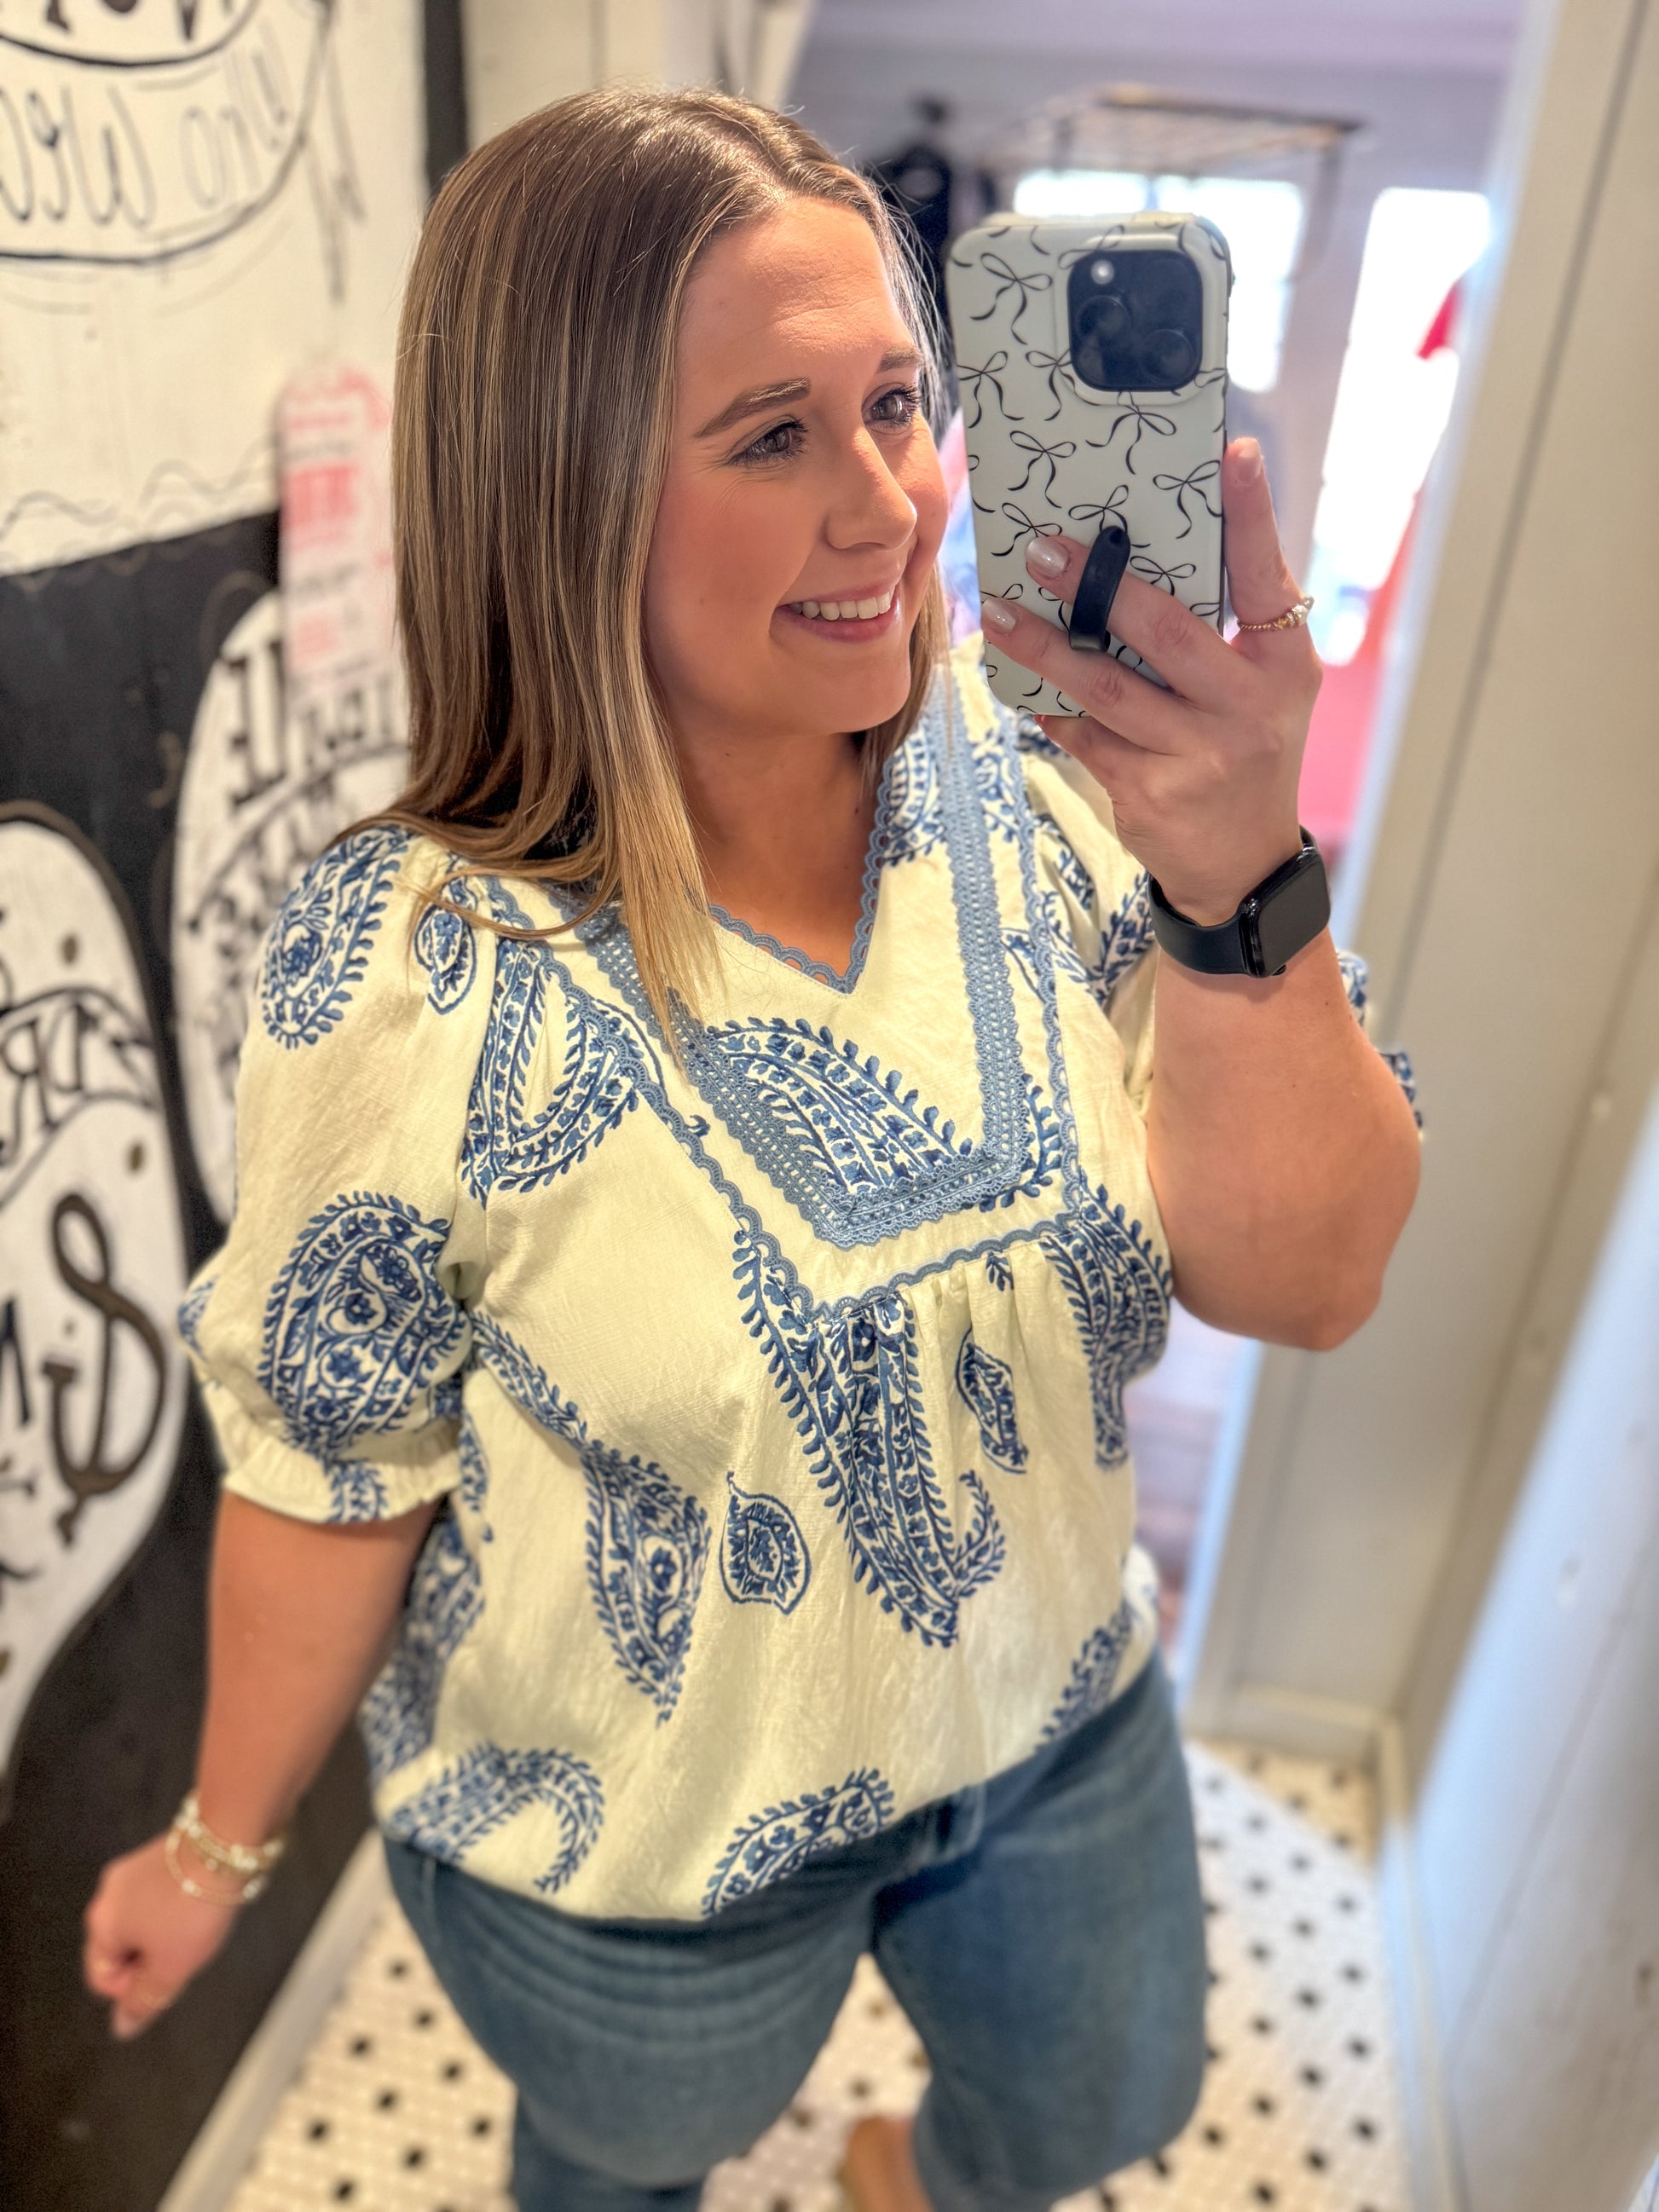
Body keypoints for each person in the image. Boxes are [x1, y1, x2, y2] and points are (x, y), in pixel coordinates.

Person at [82, 88, 1420, 2212]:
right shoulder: (408, 965)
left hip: (1048, 1712)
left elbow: (1312, 1281)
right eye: (773, 434)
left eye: (894, 401)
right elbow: (335, 1468)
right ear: (558, 487)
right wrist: (216, 1842)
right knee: (628, 2158)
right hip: (633, 1847)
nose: (888, 500)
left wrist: (1241, 868)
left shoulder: (1069, 789)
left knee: (1104, 2095)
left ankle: (902, 2176)